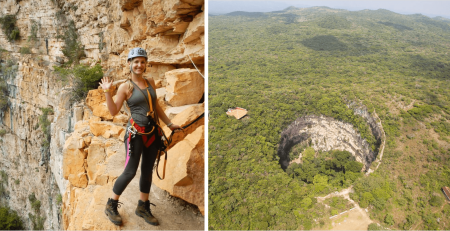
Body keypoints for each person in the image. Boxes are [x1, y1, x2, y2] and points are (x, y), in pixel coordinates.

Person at [99, 47, 181, 226]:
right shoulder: (125, 87)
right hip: (135, 134)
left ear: (146, 64)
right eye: (135, 61)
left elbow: (156, 106)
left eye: (142, 61)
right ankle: (111, 204)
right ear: (129, 64)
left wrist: (168, 124)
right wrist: (107, 92)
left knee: (147, 171)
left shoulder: (150, 81)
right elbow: (113, 111)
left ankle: (142, 206)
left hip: (152, 133)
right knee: (130, 171)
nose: (139, 65)